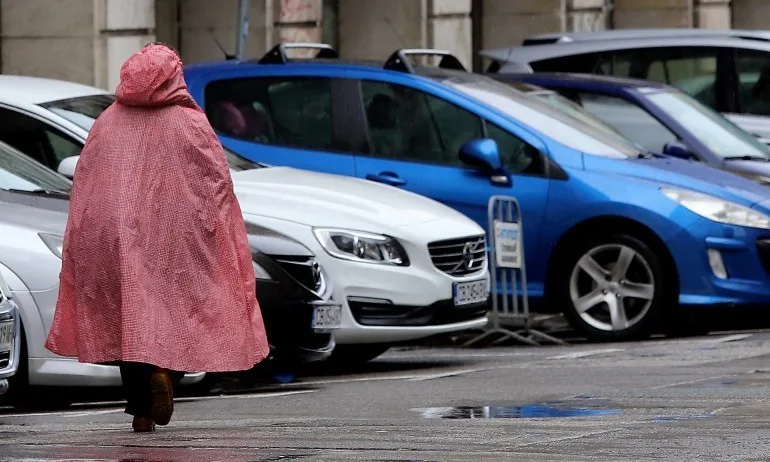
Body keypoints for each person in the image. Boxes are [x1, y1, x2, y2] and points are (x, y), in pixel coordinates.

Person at [44, 43, 270, 433]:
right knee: (182, 313)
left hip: (118, 237)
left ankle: (141, 410)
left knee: (131, 317)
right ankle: (166, 374)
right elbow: (216, 183)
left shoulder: (108, 121)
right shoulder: (190, 122)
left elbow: (87, 179)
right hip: (179, 239)